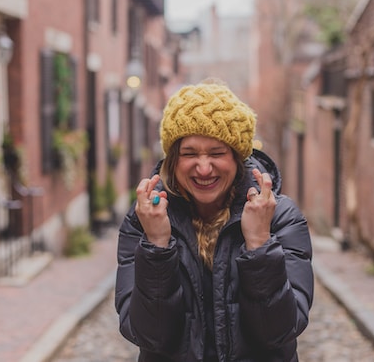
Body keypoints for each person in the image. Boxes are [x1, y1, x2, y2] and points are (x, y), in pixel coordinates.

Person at [115, 81, 314, 362]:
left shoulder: (280, 218)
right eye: (190, 153)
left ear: (237, 158)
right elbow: (149, 336)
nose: (204, 168)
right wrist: (157, 246)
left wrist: (259, 245)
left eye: (217, 153)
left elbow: (279, 332)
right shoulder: (143, 222)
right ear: (173, 160)